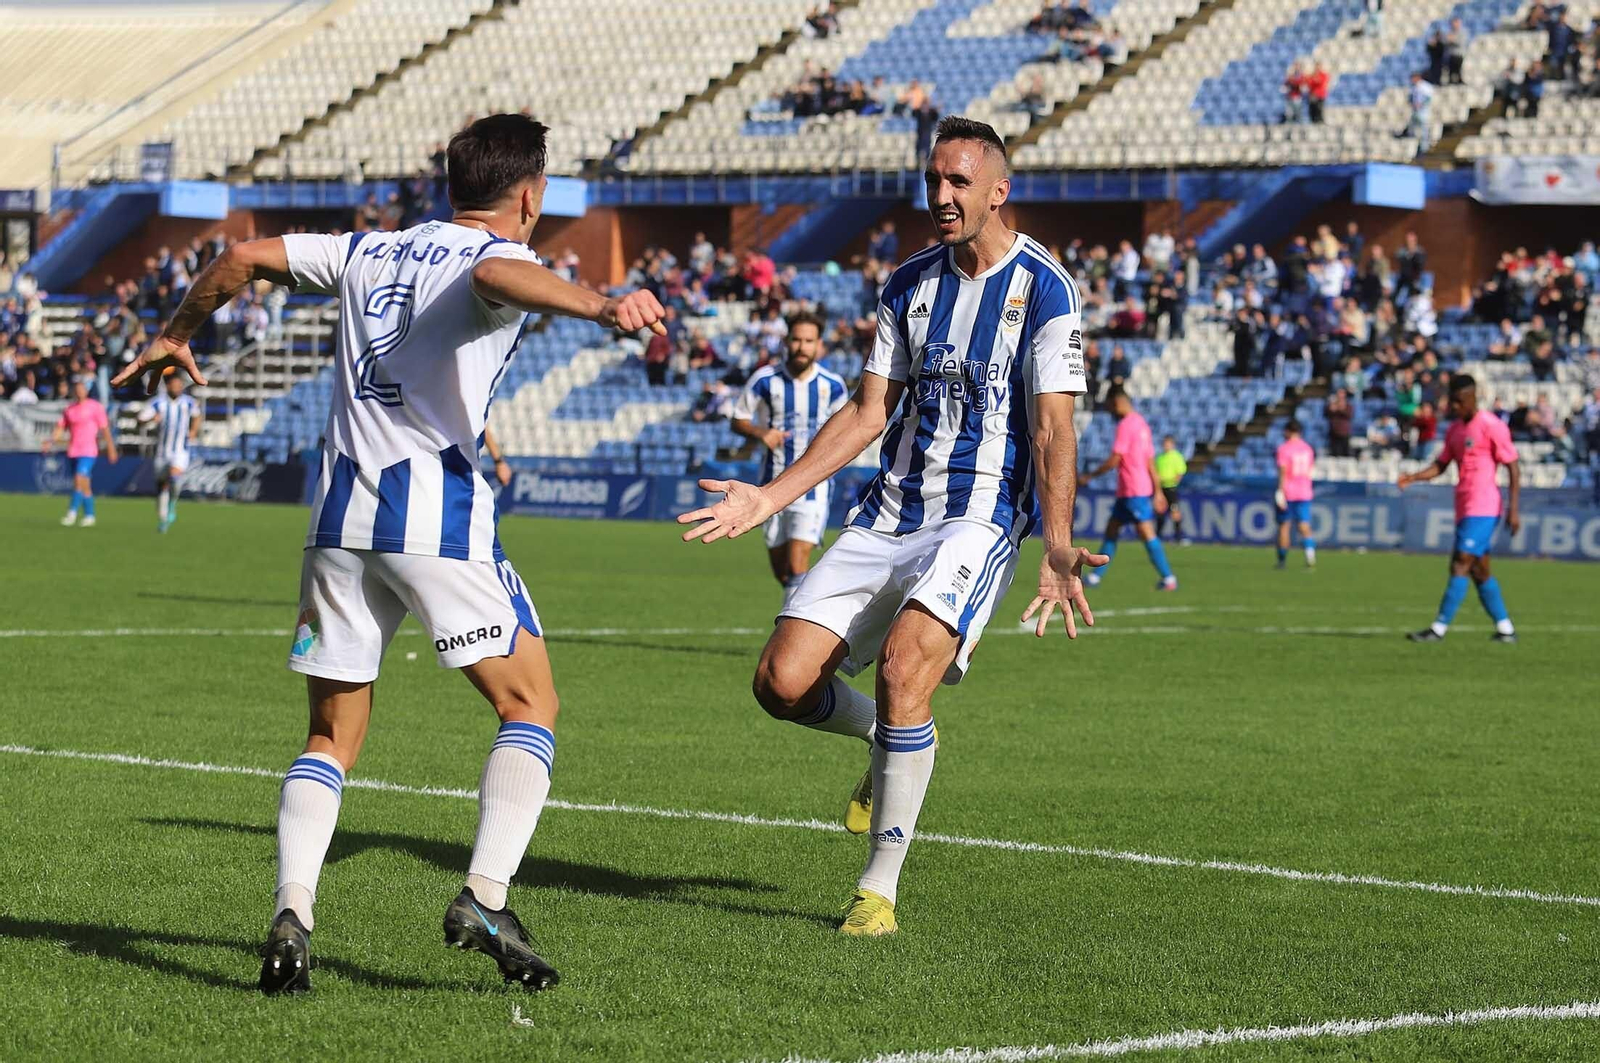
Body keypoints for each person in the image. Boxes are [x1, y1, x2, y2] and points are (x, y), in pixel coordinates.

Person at [113, 114, 667, 993]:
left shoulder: (366, 250)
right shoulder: (483, 258)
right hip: (433, 517)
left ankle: (295, 909)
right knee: (532, 703)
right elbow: (493, 269)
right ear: (531, 195)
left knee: (331, 733)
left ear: (451, 184)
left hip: (337, 520)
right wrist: (603, 304)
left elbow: (240, 258)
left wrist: (179, 329)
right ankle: (486, 893)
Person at [677, 116, 1103, 936]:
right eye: (934, 180)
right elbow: (869, 410)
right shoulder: (909, 283)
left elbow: (1053, 428)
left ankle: (878, 890)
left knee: (907, 667)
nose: (941, 197)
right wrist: (769, 496)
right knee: (781, 683)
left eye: (959, 184)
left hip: (975, 521)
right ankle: (884, 743)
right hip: (888, 513)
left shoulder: (1047, 288)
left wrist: (1055, 545)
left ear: (997, 190)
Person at [730, 310, 850, 606]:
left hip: (813, 487)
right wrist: (761, 433)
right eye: (796, 340)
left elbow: (846, 430)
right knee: (783, 571)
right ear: (786, 341)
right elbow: (738, 419)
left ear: (818, 344)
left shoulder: (832, 386)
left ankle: (793, 640)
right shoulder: (764, 380)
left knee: (798, 565)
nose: (801, 347)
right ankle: (808, 613)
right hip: (771, 485)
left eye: (808, 341)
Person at [1398, 374, 1520, 644]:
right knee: (1480, 570)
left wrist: (1513, 509)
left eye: (1457, 401)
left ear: (1471, 398)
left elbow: (1512, 465)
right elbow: (1441, 465)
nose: (1453, 406)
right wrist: (1413, 477)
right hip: (1464, 506)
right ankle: (1506, 629)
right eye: (1451, 401)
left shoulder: (1491, 426)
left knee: (1460, 562)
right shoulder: (1455, 430)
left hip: (1485, 506)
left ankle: (1438, 629)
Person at [1081, 387, 1177, 590]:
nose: (1109, 411)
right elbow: (1150, 461)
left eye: (1109, 406)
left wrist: (1091, 475)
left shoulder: (1125, 425)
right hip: (1132, 489)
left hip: (1134, 489)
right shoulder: (1142, 424)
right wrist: (1157, 490)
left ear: (1116, 402)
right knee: (1112, 528)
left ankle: (1168, 578)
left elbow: (1116, 458)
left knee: (1146, 532)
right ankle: (1096, 577)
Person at [42, 375, 117, 527]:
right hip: (73, 450)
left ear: (86, 390)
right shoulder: (70, 409)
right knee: (83, 485)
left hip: (89, 450)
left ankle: (72, 513)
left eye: (82, 388)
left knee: (79, 478)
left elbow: (105, 429)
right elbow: (60, 428)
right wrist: (50, 441)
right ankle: (90, 515)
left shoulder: (95, 407)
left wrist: (111, 448)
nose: (79, 391)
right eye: (77, 388)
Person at [137, 372, 201, 532]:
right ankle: (164, 518)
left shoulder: (188, 402)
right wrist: (152, 420)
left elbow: (198, 416)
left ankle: (172, 506)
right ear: (168, 387)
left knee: (174, 477)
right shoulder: (158, 403)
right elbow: (139, 421)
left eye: (180, 385)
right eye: (175, 385)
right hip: (161, 452)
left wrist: (193, 430)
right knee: (161, 486)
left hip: (180, 451)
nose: (178, 388)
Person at [1274, 421, 1317, 569]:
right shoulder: (1308, 449)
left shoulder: (1284, 449)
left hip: (1288, 492)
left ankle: (1282, 561)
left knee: (1284, 526)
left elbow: (1283, 471)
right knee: (1304, 525)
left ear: (1288, 431)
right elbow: (1310, 469)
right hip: (1305, 491)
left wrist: (1280, 490)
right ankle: (1310, 556)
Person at [1153, 435, 1189, 544]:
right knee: (1160, 512)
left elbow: (1180, 473)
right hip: (1161, 489)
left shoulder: (1177, 457)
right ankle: (1157, 536)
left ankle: (1178, 536)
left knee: (1175, 512)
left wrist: (1172, 481)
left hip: (1171, 488)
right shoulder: (1159, 457)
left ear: (1172, 444)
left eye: (1167, 443)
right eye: (1164, 443)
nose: (1165, 446)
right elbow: (1155, 473)